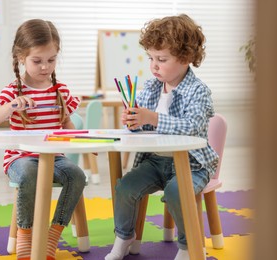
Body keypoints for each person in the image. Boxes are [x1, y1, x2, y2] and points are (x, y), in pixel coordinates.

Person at [105, 14, 219, 260]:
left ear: (186, 58)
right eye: (151, 58)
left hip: (192, 164)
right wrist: (134, 121)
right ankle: (124, 236)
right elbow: (142, 129)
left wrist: (152, 118)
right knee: (125, 187)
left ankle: (189, 245)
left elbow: (192, 126)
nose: (154, 65)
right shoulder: (151, 88)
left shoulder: (198, 91)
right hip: (155, 161)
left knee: (177, 191)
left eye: (162, 59)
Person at [0, 19, 86, 260]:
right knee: (29, 175)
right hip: (21, 158)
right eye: (37, 61)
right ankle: (26, 236)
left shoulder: (60, 91)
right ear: (21, 57)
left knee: (77, 176)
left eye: (51, 60)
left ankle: (53, 235)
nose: (45, 67)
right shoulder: (13, 91)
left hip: (54, 158)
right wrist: (10, 107)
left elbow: (67, 126)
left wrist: (83, 142)